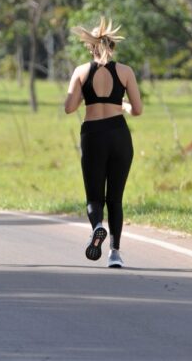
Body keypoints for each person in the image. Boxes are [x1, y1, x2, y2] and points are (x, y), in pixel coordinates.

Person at [64, 17, 143, 268]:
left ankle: (98, 226)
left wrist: (85, 98)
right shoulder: (125, 71)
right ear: (113, 47)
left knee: (94, 197)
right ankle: (115, 254)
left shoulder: (81, 71)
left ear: (91, 48)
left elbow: (69, 108)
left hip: (93, 134)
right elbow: (138, 110)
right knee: (115, 199)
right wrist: (123, 105)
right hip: (119, 134)